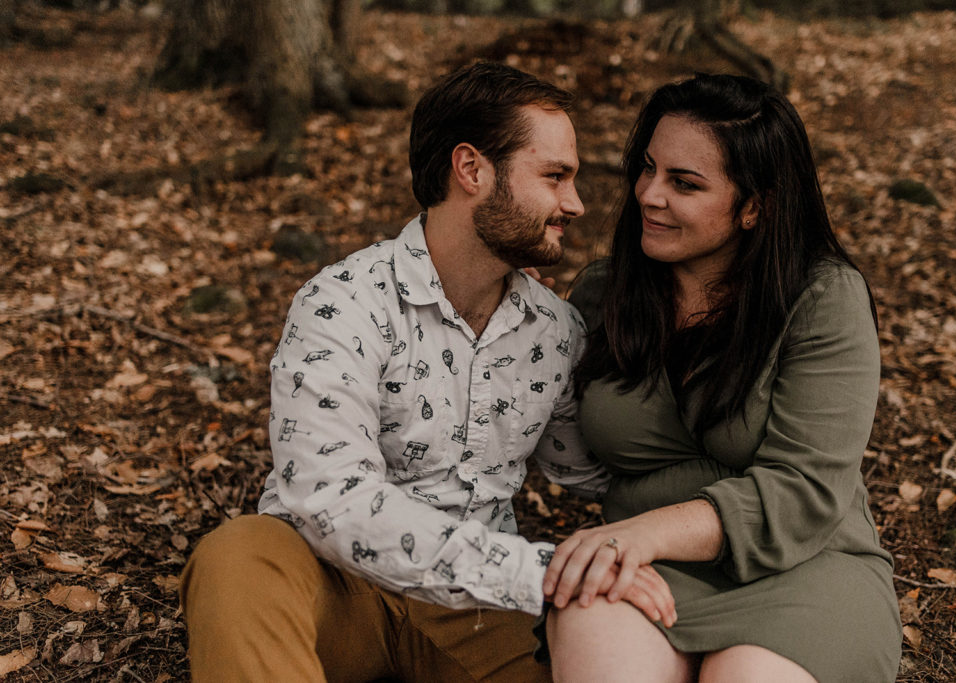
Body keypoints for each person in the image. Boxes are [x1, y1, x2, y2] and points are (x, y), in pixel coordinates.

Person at [179, 61, 675, 683]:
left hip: (476, 613)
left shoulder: (555, 331)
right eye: (554, 176)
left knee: (610, 642)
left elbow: (596, 470)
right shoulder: (346, 301)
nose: (574, 203)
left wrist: (733, 490)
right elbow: (328, 497)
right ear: (471, 169)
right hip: (337, 586)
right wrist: (537, 572)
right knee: (236, 556)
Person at [539, 74, 902, 682]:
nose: (649, 194)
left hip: (804, 568)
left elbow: (804, 490)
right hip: (647, 566)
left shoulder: (821, 299)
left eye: (684, 183)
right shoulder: (605, 295)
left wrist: (642, 533)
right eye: (648, 168)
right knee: (598, 649)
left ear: (755, 205)